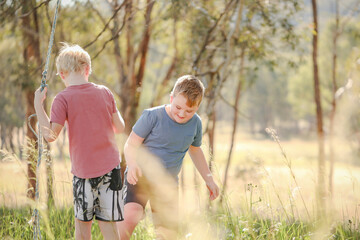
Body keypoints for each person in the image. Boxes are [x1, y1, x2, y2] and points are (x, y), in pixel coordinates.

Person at [34, 43, 125, 240]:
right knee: (109, 227)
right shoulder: (105, 92)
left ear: (62, 74)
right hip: (112, 169)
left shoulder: (62, 99)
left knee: (83, 230)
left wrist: (38, 106)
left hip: (84, 173)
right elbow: (120, 127)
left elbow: (50, 135)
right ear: (87, 69)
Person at [118, 75, 220, 239]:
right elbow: (131, 144)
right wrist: (132, 164)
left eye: (189, 111)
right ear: (171, 98)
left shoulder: (195, 124)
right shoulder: (152, 116)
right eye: (178, 107)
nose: (182, 114)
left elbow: (195, 150)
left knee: (167, 233)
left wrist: (209, 179)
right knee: (132, 215)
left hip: (167, 185)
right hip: (140, 178)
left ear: (197, 108)